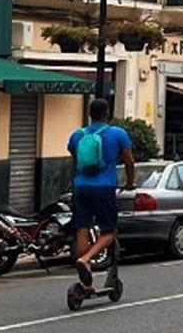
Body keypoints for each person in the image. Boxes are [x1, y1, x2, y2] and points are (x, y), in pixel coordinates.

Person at [67, 99, 135, 292]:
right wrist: (129, 183)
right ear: (107, 113)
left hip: (81, 187)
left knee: (82, 227)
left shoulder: (77, 135)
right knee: (109, 231)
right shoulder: (117, 134)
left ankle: (86, 282)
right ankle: (85, 259)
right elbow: (129, 162)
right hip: (104, 187)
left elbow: (75, 160)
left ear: (89, 113)